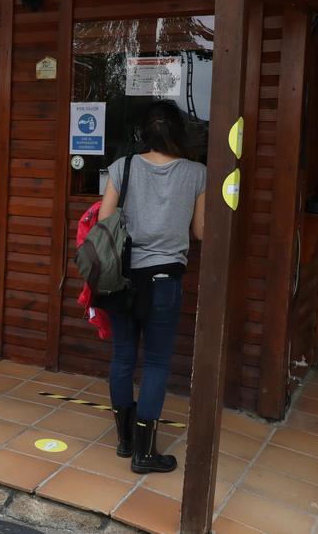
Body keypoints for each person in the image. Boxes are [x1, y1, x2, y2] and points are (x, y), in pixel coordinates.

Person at [99, 100, 205, 474]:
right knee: (157, 362)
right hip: (165, 280)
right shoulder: (196, 173)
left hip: (122, 280)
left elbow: (104, 220)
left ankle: (125, 441)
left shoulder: (122, 167)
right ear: (178, 131)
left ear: (144, 132)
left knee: (123, 357)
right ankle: (146, 452)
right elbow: (201, 231)